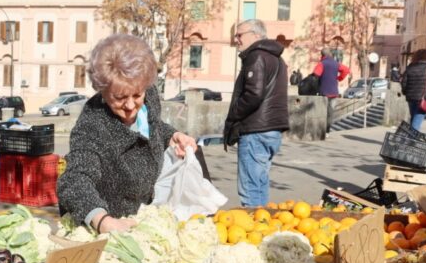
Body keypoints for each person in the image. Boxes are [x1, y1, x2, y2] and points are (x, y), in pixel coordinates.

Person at [57, 34, 199, 233]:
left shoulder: (148, 93)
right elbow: (74, 182)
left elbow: (154, 125)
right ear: (103, 90)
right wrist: (104, 221)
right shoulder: (92, 125)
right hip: (110, 226)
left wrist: (173, 136)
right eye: (120, 97)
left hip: (142, 216)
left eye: (136, 95)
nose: (131, 105)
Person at [224, 19, 289, 208]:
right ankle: (262, 226)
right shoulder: (276, 57)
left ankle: (254, 230)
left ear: (256, 35)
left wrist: (234, 114)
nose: (236, 39)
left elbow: (253, 94)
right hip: (271, 129)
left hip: (256, 130)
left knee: (250, 188)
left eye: (239, 34)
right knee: (259, 184)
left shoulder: (256, 56)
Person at [400, 49, 426, 131]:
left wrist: (405, 92)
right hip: (423, 98)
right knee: (417, 121)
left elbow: (404, 83)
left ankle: (409, 139)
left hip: (411, 98)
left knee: (413, 118)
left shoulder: (410, 68)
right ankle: (411, 141)